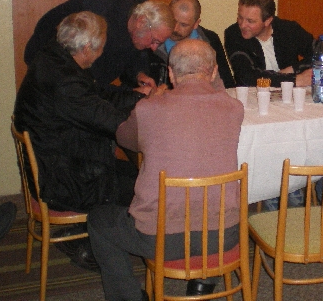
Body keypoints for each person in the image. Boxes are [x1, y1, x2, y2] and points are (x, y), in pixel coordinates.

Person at [88, 39, 244, 301]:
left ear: (170, 74)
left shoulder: (149, 109)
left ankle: (128, 297)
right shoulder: (234, 109)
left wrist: (150, 102)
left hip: (160, 239)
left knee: (99, 220)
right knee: (210, 191)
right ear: (214, 72)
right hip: (223, 236)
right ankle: (204, 280)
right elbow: (216, 95)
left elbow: (126, 139)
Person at [14, 12, 150, 269]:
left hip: (59, 162)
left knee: (138, 173)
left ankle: (84, 233)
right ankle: (93, 244)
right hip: (64, 180)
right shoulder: (65, 82)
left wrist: (140, 96)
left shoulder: (55, 59)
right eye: (101, 46)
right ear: (87, 47)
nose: (102, 52)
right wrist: (156, 116)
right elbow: (111, 122)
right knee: (147, 187)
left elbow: (97, 96)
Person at [24, 0, 175, 89]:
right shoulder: (103, 18)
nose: (154, 48)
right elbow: (91, 86)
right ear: (141, 22)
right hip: (48, 53)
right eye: (154, 41)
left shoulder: (141, 14)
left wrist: (139, 74)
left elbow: (135, 51)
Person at [224, 0, 314, 87]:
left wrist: (293, 68)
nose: (242, 25)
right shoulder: (233, 35)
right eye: (240, 17)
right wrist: (295, 80)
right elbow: (248, 77)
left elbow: (322, 55)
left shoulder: (289, 29)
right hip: (253, 94)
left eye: (250, 21)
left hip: (290, 93)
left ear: (268, 21)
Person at [153, 0, 235, 88]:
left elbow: (226, 82)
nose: (175, 28)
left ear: (196, 24)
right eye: (173, 21)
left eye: (183, 25)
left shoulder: (210, 40)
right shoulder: (153, 40)